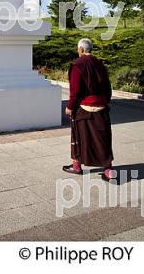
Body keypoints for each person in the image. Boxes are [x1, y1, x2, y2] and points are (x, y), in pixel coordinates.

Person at [62, 38, 114, 181]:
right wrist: (104, 101)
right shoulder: (100, 64)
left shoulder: (77, 65)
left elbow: (75, 90)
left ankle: (77, 166)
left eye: (77, 49)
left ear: (81, 49)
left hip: (84, 108)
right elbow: (107, 87)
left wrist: (70, 106)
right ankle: (108, 171)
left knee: (78, 136)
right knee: (103, 139)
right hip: (101, 107)